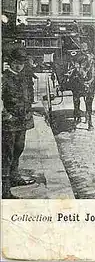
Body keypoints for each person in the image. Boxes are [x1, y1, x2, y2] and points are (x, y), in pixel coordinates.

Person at [2, 47, 37, 199]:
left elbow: (29, 96)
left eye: (21, 63)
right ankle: (5, 189)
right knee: (7, 153)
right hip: (9, 121)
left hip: (22, 120)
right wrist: (5, 114)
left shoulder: (24, 77)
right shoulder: (4, 78)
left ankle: (14, 177)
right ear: (10, 63)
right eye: (15, 63)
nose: (18, 66)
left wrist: (28, 110)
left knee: (19, 148)